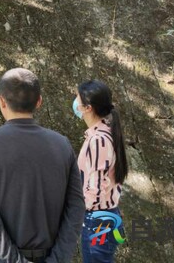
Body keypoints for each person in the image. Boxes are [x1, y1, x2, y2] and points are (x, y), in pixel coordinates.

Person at [0, 68, 86, 263]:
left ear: (1, 101)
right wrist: (58, 258)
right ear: (39, 101)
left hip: (2, 258)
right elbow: (76, 206)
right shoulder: (61, 144)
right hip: (51, 256)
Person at [73, 80, 129, 263]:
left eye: (77, 99)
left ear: (88, 108)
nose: (75, 103)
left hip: (97, 220)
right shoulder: (102, 134)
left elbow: (96, 189)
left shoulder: (99, 140)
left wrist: (79, 209)